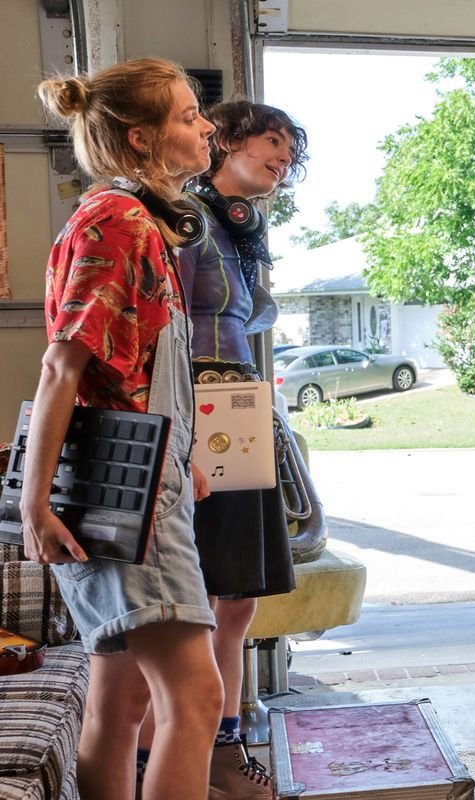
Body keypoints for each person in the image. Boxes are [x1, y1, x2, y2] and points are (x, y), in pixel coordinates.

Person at [23, 58, 223, 800]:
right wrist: (32, 504)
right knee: (196, 700)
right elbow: (60, 369)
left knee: (123, 697)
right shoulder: (119, 223)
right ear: (141, 139)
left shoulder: (135, 221)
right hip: (128, 498)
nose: (204, 126)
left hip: (139, 479)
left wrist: (184, 454)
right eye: (186, 116)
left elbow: (127, 370)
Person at [137, 100, 308, 798]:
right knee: (195, 597)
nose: (283, 159)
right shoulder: (182, 218)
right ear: (228, 139)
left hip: (238, 404)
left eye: (290, 152)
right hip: (196, 405)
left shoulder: (240, 230)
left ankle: (225, 750)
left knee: (236, 599)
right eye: (272, 143)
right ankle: (166, 753)